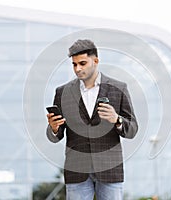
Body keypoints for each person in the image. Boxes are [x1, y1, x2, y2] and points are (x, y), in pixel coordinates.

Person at [46, 39, 138, 200]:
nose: (77, 68)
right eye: (74, 64)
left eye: (82, 63)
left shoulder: (118, 88)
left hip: (110, 169)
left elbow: (132, 130)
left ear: (95, 61)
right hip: (76, 170)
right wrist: (54, 128)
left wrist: (117, 119)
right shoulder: (62, 92)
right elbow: (57, 134)